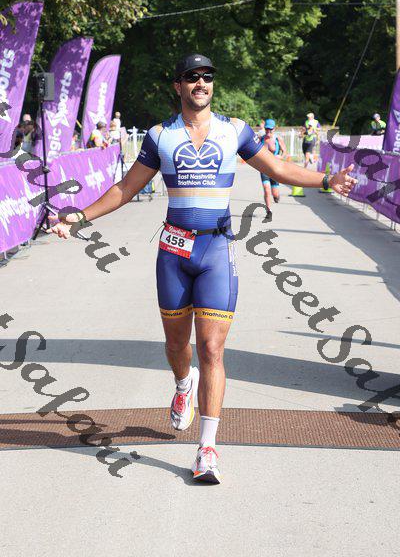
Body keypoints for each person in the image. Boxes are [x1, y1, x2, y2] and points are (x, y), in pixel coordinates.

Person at [48, 54, 356, 484]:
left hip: (217, 249)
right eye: (192, 77)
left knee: (211, 348)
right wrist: (79, 216)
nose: (201, 83)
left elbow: (277, 168)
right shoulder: (160, 135)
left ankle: (207, 448)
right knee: (178, 345)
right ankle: (182, 384)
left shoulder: (235, 131)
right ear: (178, 85)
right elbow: (126, 188)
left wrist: (326, 179)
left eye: (207, 77)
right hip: (174, 253)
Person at [259, 119, 287, 219]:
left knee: (275, 193)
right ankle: (269, 211)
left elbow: (284, 152)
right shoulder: (261, 139)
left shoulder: (277, 139)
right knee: (266, 190)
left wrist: (280, 157)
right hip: (264, 168)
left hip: (275, 169)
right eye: (267, 129)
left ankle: (276, 196)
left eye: (270, 129)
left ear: (274, 129)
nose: (268, 131)